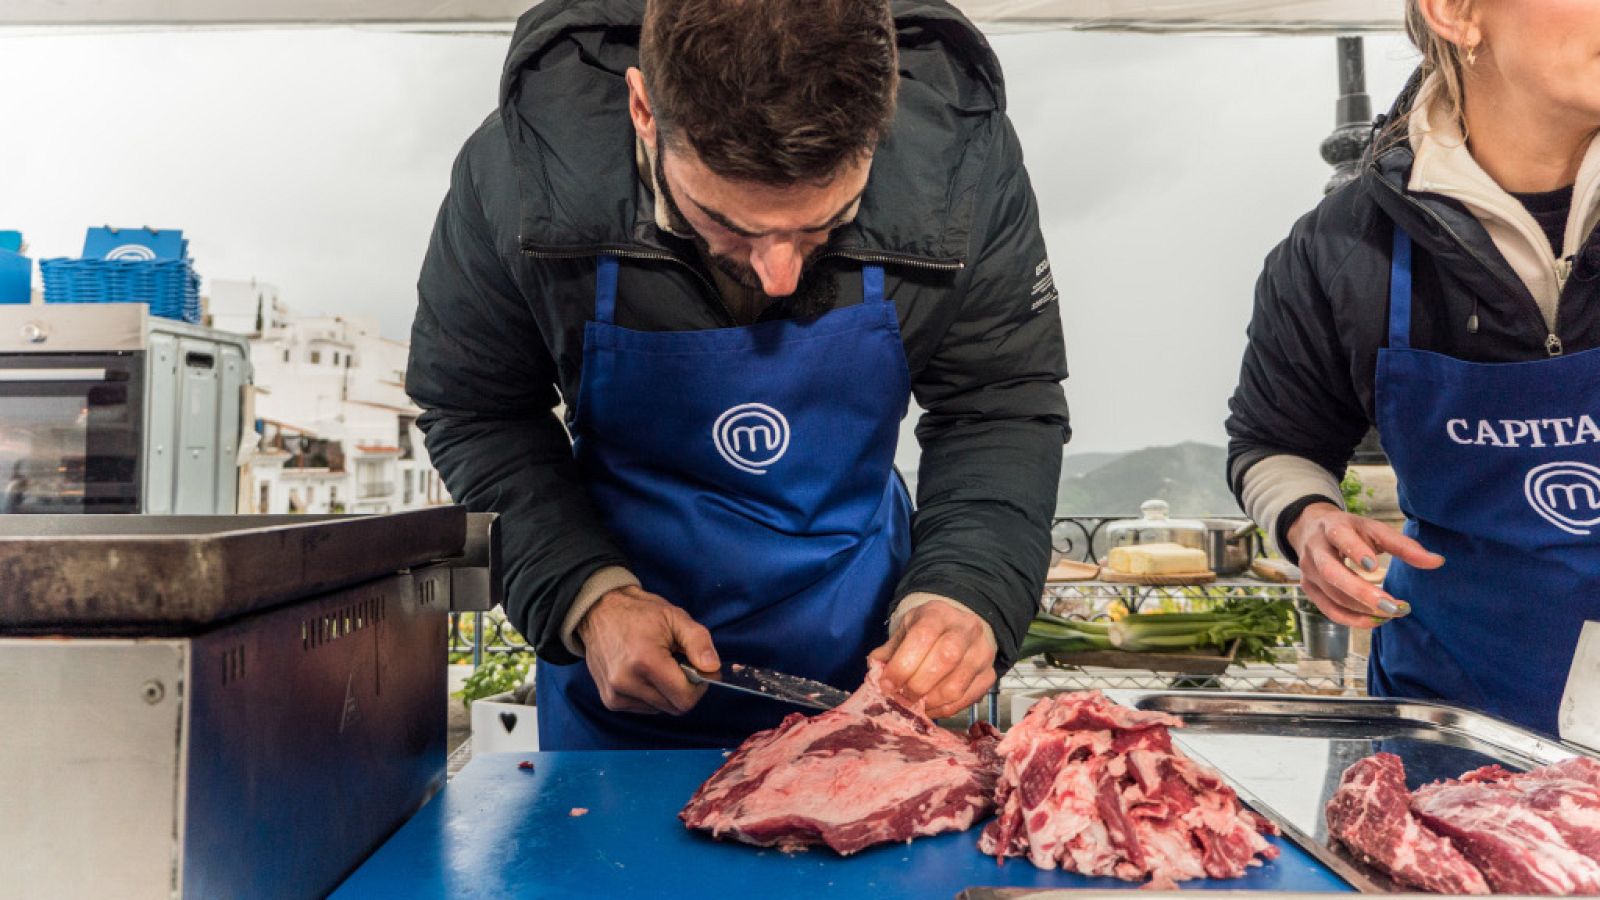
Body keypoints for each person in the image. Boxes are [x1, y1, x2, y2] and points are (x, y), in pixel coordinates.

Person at [409, 0, 1069, 750]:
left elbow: (998, 402)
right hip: (620, 690)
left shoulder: (964, 165)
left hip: (872, 685)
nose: (779, 276)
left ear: (881, 119)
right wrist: (586, 596)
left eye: (826, 223)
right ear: (643, 110)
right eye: (728, 222)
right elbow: (477, 410)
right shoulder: (517, 177)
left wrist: (967, 588)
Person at [1227, 0, 1600, 735]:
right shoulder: (1341, 249)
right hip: (1454, 721)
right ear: (1456, 12)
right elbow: (1275, 441)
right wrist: (1310, 520)